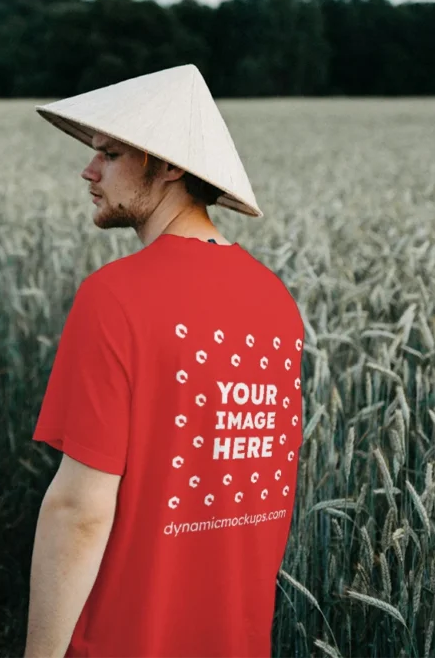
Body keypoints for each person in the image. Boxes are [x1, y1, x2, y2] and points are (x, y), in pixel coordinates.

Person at [25, 64, 304, 658]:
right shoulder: (277, 303)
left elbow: (79, 510)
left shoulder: (115, 296)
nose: (88, 169)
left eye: (110, 154)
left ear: (171, 164)